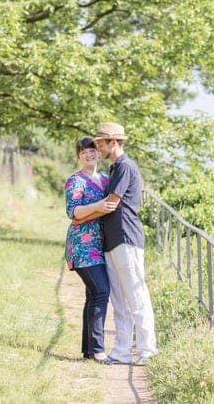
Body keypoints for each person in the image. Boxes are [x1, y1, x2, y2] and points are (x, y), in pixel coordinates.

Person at [94, 121, 158, 366]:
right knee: (119, 299)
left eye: (101, 143)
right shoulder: (114, 168)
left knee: (136, 295)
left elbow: (111, 203)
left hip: (126, 238)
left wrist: (80, 214)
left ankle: (147, 349)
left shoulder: (124, 166)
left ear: (113, 142)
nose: (98, 148)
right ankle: (121, 350)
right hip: (113, 239)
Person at [63, 136, 118, 362]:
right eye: (83, 152)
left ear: (98, 152)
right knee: (101, 292)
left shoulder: (105, 180)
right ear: (78, 156)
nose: (89, 155)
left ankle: (88, 350)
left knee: (92, 294)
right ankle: (97, 350)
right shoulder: (75, 181)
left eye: (92, 150)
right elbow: (73, 212)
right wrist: (97, 206)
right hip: (82, 245)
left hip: (99, 244)